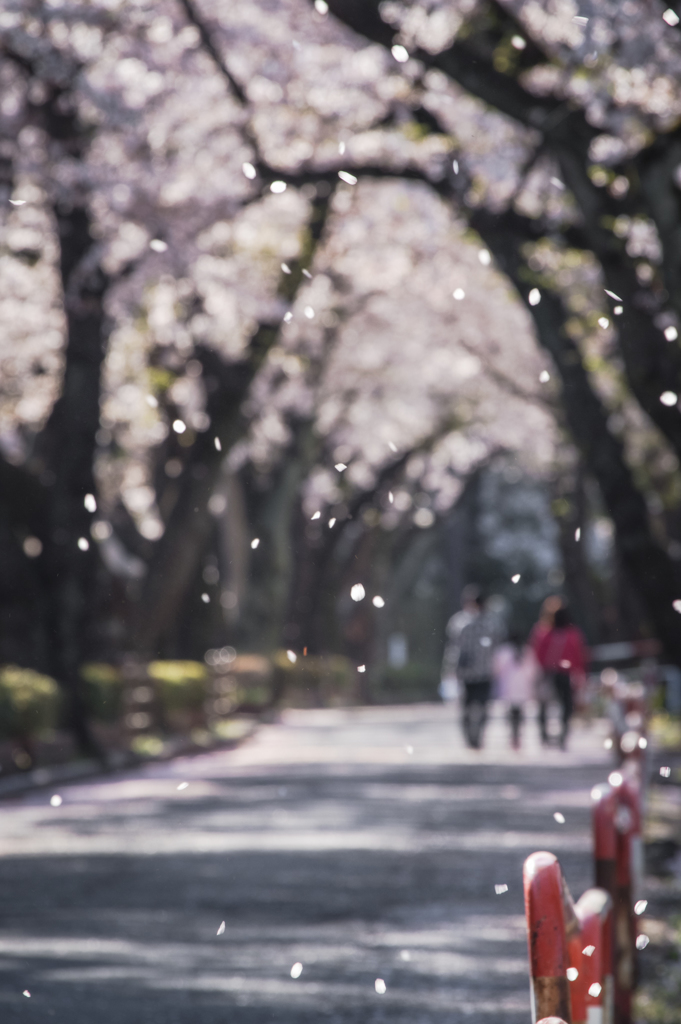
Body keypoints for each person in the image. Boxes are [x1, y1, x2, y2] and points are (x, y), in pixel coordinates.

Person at [454, 592, 505, 749]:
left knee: (467, 707)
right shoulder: (493, 623)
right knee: (482, 706)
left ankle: (470, 736)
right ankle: (478, 735)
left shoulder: (460, 622)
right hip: (485, 672)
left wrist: (450, 670)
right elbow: (499, 647)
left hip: (466, 673)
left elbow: (453, 649)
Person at [535, 605, 588, 749]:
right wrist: (581, 673)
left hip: (548, 674)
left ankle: (544, 735)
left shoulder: (544, 633)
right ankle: (563, 735)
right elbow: (580, 656)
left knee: (543, 705)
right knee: (566, 705)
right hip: (566, 675)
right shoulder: (573, 634)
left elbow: (537, 653)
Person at [492, 632, 539, 750]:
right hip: (522, 689)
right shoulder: (527, 651)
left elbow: (496, 670)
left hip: (508, 688)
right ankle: (517, 736)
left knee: (511, 713)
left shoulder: (503, 651)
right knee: (520, 713)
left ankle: (512, 735)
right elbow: (533, 671)